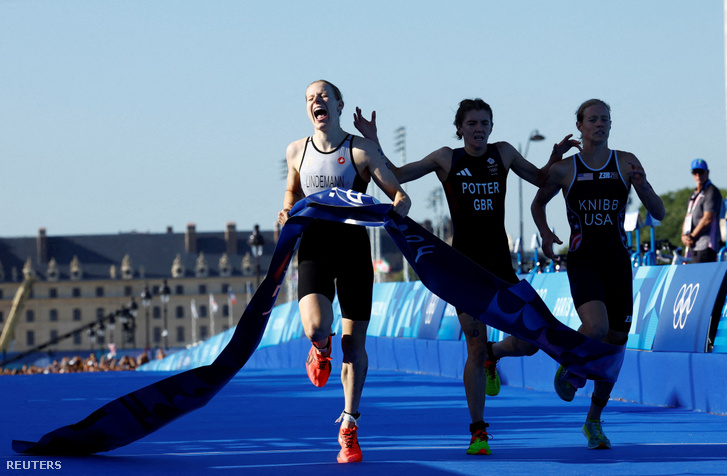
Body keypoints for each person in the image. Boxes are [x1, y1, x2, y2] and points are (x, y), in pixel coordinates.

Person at [354, 99, 576, 455]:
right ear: (459, 128)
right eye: (472, 123)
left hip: (501, 268)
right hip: (464, 272)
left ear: (491, 127)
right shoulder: (446, 158)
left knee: (531, 342)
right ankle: (478, 432)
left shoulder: (503, 154)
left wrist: (555, 156)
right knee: (472, 345)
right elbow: (395, 173)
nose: (479, 129)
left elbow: (540, 179)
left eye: (485, 123)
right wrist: (373, 140)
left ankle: (494, 353)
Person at [278, 80, 410, 464]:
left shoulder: (360, 149)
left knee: (354, 345)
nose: (316, 102)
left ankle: (349, 425)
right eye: (309, 99)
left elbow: (396, 192)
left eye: (323, 97)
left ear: (337, 105)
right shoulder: (296, 151)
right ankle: (320, 349)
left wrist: (399, 203)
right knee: (316, 326)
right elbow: (292, 192)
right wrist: (287, 209)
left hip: (354, 251)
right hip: (315, 248)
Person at [531, 99, 665, 449]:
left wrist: (644, 186)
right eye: (593, 119)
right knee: (596, 329)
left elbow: (660, 213)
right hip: (583, 259)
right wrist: (546, 234)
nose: (600, 124)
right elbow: (537, 203)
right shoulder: (565, 169)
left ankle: (593, 421)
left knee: (615, 344)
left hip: (618, 262)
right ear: (580, 126)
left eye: (605, 119)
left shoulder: (625, 161)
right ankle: (572, 364)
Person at [681, 158, 723, 263]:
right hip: (694, 245)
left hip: (706, 244)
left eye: (701, 172)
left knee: (702, 277)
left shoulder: (711, 191)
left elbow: (708, 218)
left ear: (707, 172)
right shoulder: (694, 194)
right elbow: (688, 217)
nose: (698, 175)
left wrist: (692, 236)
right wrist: (683, 236)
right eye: (695, 172)